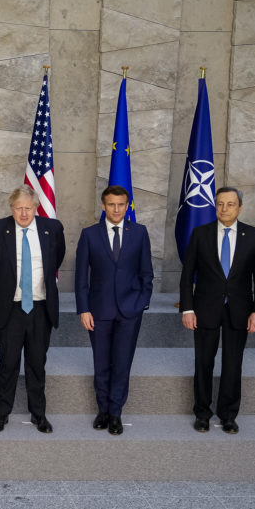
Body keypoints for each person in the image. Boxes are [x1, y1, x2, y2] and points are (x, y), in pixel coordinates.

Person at [180, 187, 255, 434]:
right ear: (215, 206)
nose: (224, 209)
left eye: (230, 204)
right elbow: (187, 276)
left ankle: (228, 415)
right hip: (205, 309)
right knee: (203, 363)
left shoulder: (252, 235)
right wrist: (187, 308)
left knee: (233, 364)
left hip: (240, 310)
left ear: (240, 207)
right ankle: (202, 413)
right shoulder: (200, 234)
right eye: (220, 204)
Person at [0, 185, 65, 434]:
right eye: (19, 208)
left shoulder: (52, 229)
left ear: (36, 208)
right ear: (11, 208)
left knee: (37, 364)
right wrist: (6, 281)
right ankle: (1, 414)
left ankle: (39, 415)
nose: (24, 213)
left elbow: (56, 259)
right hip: (10, 309)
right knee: (8, 363)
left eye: (28, 208)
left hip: (40, 308)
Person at [75, 185, 153, 436]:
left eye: (121, 204)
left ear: (127, 205)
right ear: (103, 205)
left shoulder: (139, 233)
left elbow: (146, 273)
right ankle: (103, 411)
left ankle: (116, 413)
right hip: (98, 310)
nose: (116, 209)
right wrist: (83, 309)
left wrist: (142, 302)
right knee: (101, 363)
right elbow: (80, 278)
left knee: (122, 363)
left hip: (130, 311)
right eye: (111, 204)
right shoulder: (89, 234)